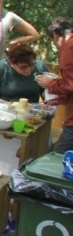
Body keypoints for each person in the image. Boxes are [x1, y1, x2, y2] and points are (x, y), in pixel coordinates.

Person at [39, 18, 73, 153]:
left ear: (57, 34)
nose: (54, 44)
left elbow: (70, 84)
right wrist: (62, 99)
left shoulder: (68, 46)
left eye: (52, 40)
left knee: (59, 158)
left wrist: (50, 83)